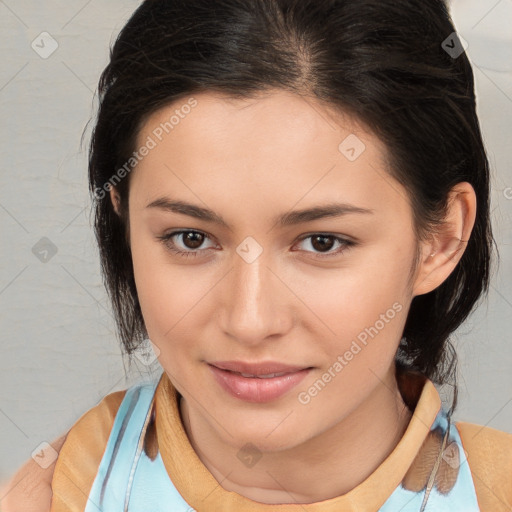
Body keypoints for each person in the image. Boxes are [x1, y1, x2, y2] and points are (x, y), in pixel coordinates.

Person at [2, 0, 511, 510]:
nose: (249, 321)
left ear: (441, 239)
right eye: (191, 238)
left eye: (322, 242)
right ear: (126, 221)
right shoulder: (54, 493)